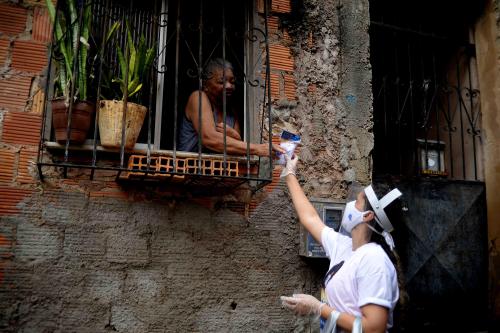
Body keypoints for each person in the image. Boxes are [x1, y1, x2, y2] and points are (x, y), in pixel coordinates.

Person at [280, 154, 404, 333]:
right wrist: (290, 173)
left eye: (359, 200)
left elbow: (374, 328)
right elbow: (310, 218)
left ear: (368, 215)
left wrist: (318, 309)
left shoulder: (374, 259)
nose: (352, 203)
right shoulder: (345, 247)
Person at [178, 58, 285, 156]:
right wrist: (257, 148)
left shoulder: (231, 110)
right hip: (189, 170)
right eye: (221, 81)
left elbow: (237, 148)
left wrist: (235, 136)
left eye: (232, 82)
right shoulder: (198, 97)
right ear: (205, 85)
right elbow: (209, 138)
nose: (229, 86)